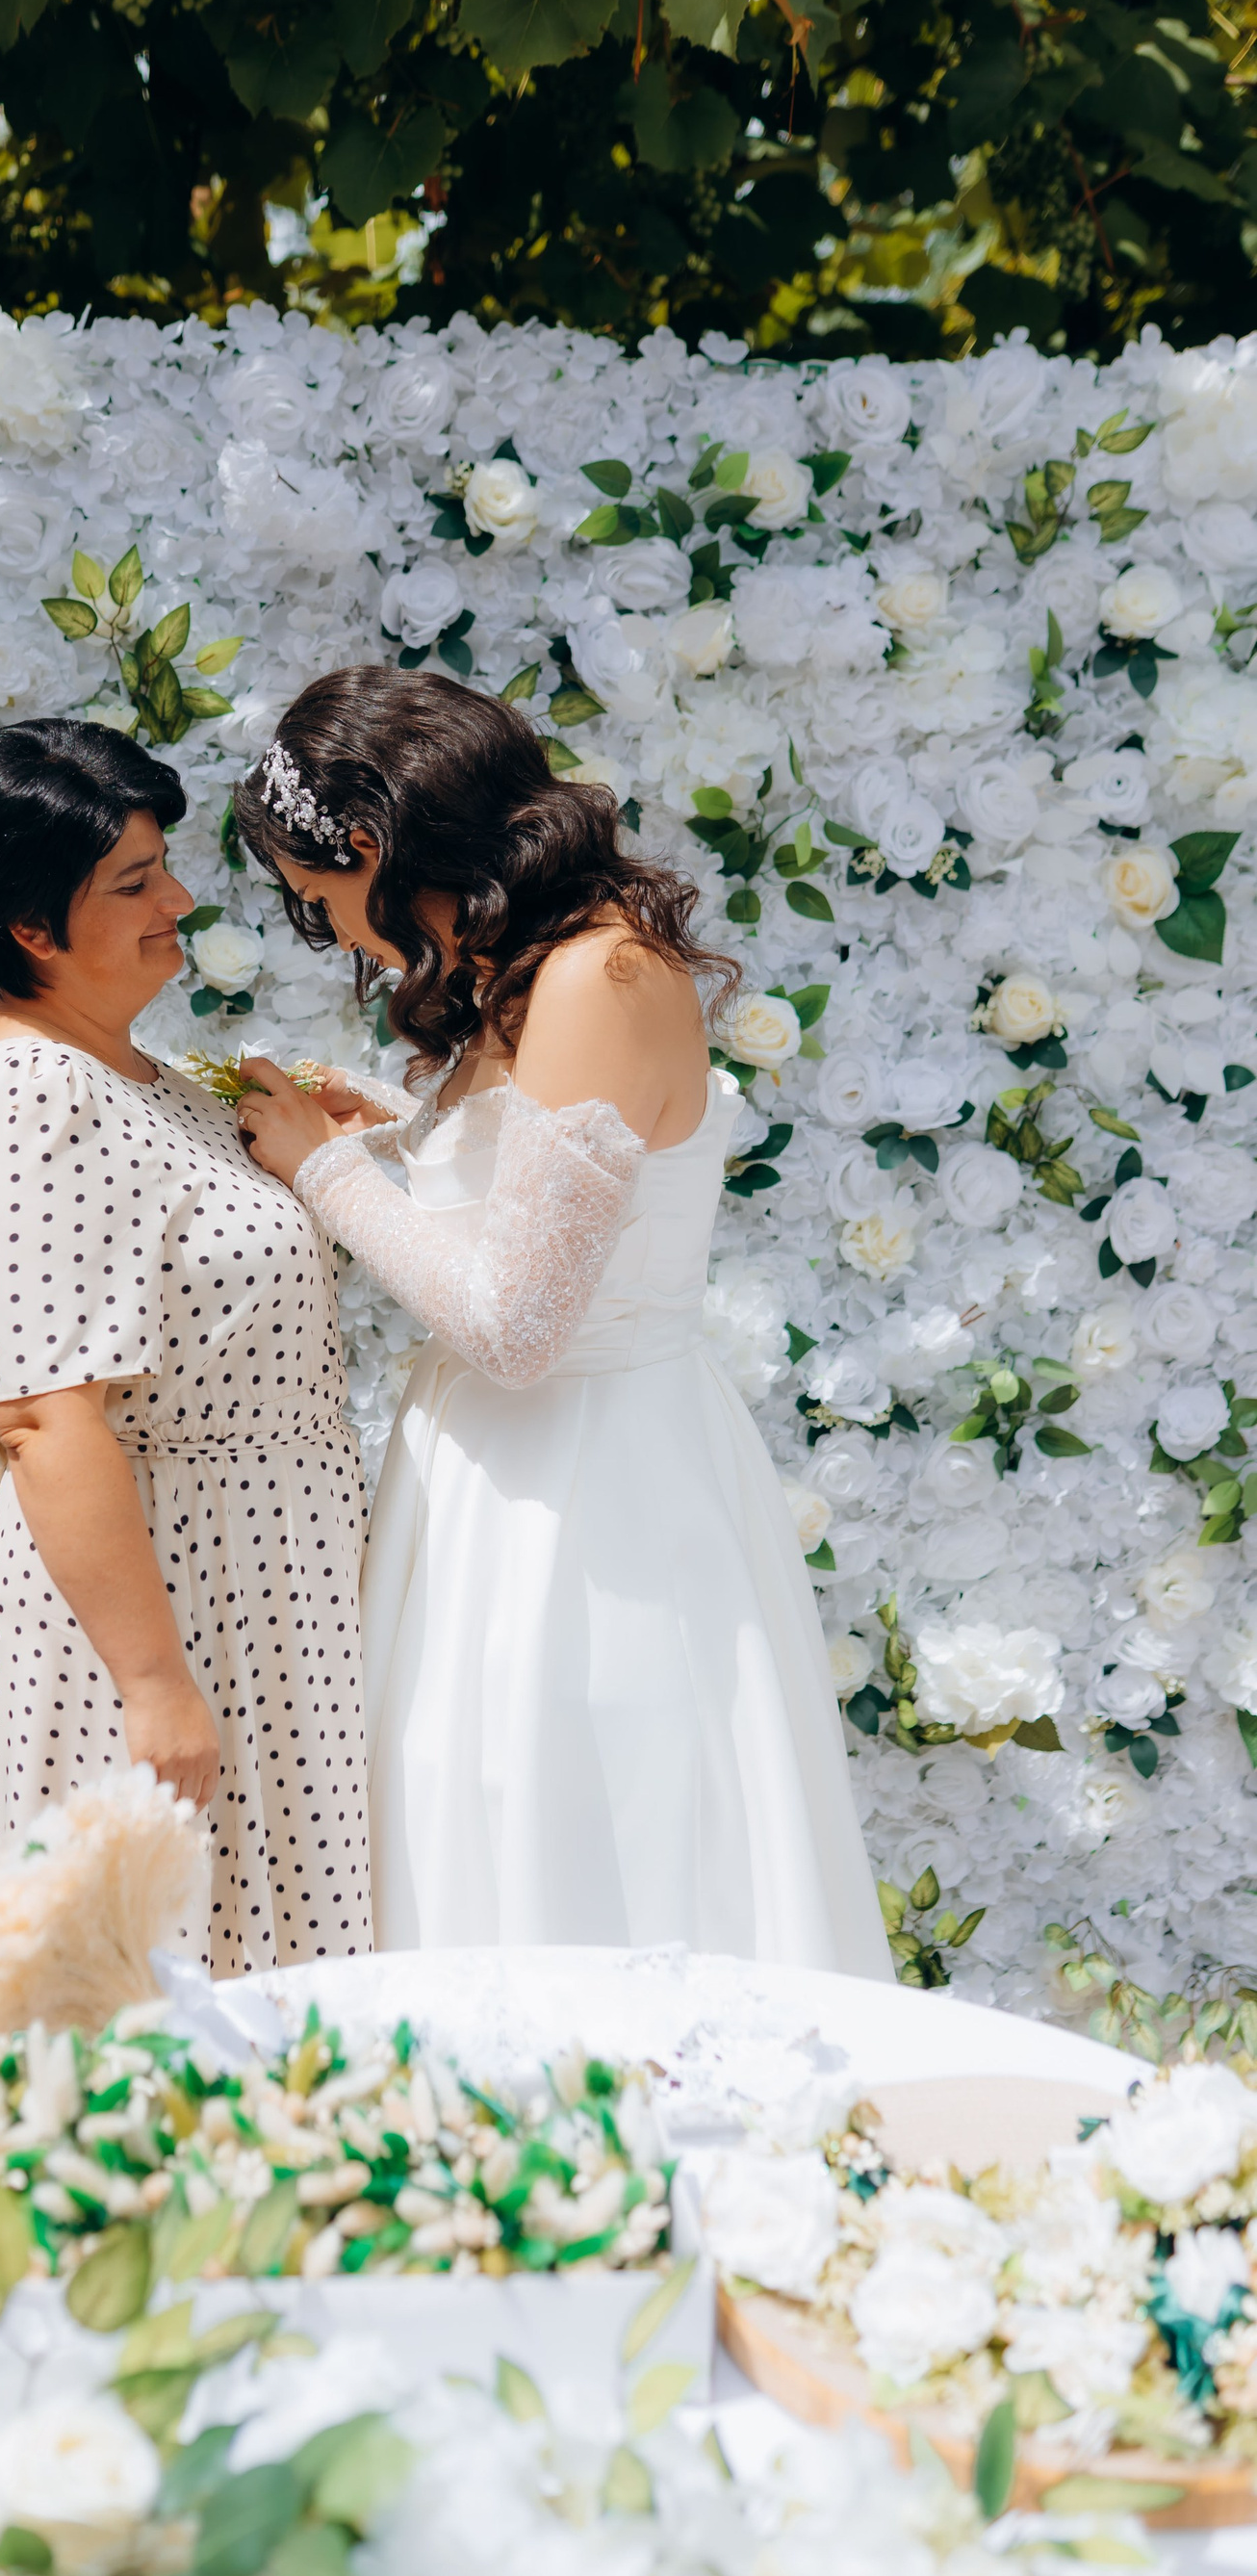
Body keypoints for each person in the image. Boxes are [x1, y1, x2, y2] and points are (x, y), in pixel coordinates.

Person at [232, 667, 889, 1978]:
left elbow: (518, 1322)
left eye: (319, 900)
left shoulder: (598, 976)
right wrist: (388, 1123)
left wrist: (327, 1170)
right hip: (495, 1475)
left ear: (369, 846)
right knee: (469, 1822)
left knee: (582, 1832)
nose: (332, 934)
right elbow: (528, 1189)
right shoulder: (533, 970)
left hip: (592, 1495)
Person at [0, 718, 370, 1973]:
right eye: (134, 883)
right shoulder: (33, 1100)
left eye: (164, 866)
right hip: (166, 1603)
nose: (178, 901)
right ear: (32, 926)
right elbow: (42, 1417)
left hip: (261, 1592)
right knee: (159, 1992)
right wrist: (155, 1683)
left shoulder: (146, 1080)